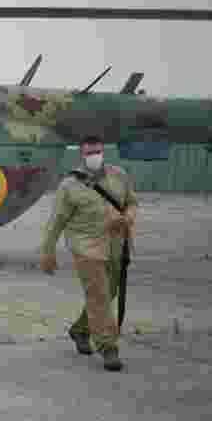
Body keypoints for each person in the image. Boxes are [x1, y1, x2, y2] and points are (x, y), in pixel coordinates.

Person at [40, 136, 138, 372]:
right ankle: (108, 348)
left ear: (103, 151)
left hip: (116, 245)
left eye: (98, 151)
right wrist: (48, 251)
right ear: (81, 156)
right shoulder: (69, 185)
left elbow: (132, 202)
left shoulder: (119, 175)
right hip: (86, 248)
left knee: (108, 292)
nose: (95, 156)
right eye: (89, 153)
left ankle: (81, 330)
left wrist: (128, 217)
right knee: (99, 296)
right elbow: (57, 221)